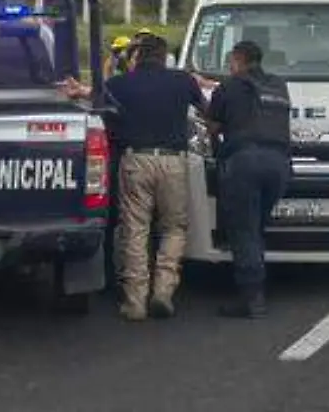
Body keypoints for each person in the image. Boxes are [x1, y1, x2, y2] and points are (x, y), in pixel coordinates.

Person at [102, 34, 206, 321]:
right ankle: (163, 291)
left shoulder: (119, 83)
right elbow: (206, 113)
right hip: (173, 161)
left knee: (135, 229)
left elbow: (96, 105)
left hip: (136, 159)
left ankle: (135, 301)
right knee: (173, 228)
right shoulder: (183, 80)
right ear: (164, 57)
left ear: (136, 57)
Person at [204, 39, 292, 318]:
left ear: (237, 60)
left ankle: (251, 298)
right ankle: (258, 282)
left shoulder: (229, 87)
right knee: (255, 227)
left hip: (245, 161)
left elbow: (213, 126)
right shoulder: (278, 86)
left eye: (231, 61)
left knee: (244, 231)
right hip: (279, 165)